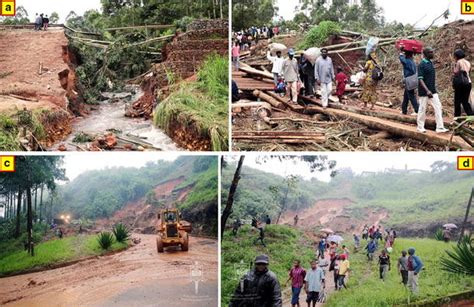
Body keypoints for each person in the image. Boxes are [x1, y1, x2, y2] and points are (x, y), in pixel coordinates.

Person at [417, 47, 449, 133]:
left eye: (432, 52)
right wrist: (427, 90)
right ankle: (420, 127)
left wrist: (431, 90)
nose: (433, 54)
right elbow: (420, 79)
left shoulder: (430, 63)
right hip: (424, 91)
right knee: (422, 108)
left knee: (438, 107)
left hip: (433, 90)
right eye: (431, 52)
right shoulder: (421, 65)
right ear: (425, 54)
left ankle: (440, 127)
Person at [452, 49, 473, 117]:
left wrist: (454, 66)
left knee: (457, 101)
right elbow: (468, 73)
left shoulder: (458, 62)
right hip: (468, 83)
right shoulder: (468, 62)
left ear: (457, 56)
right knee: (465, 101)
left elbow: (456, 72)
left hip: (460, 84)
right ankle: (471, 115)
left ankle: (457, 116)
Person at [399, 50, 419, 115]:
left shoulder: (407, 61)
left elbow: (402, 60)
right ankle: (404, 110)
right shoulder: (412, 61)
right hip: (412, 81)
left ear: (406, 55)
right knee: (406, 96)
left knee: (411, 96)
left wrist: (401, 53)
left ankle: (417, 110)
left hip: (409, 81)